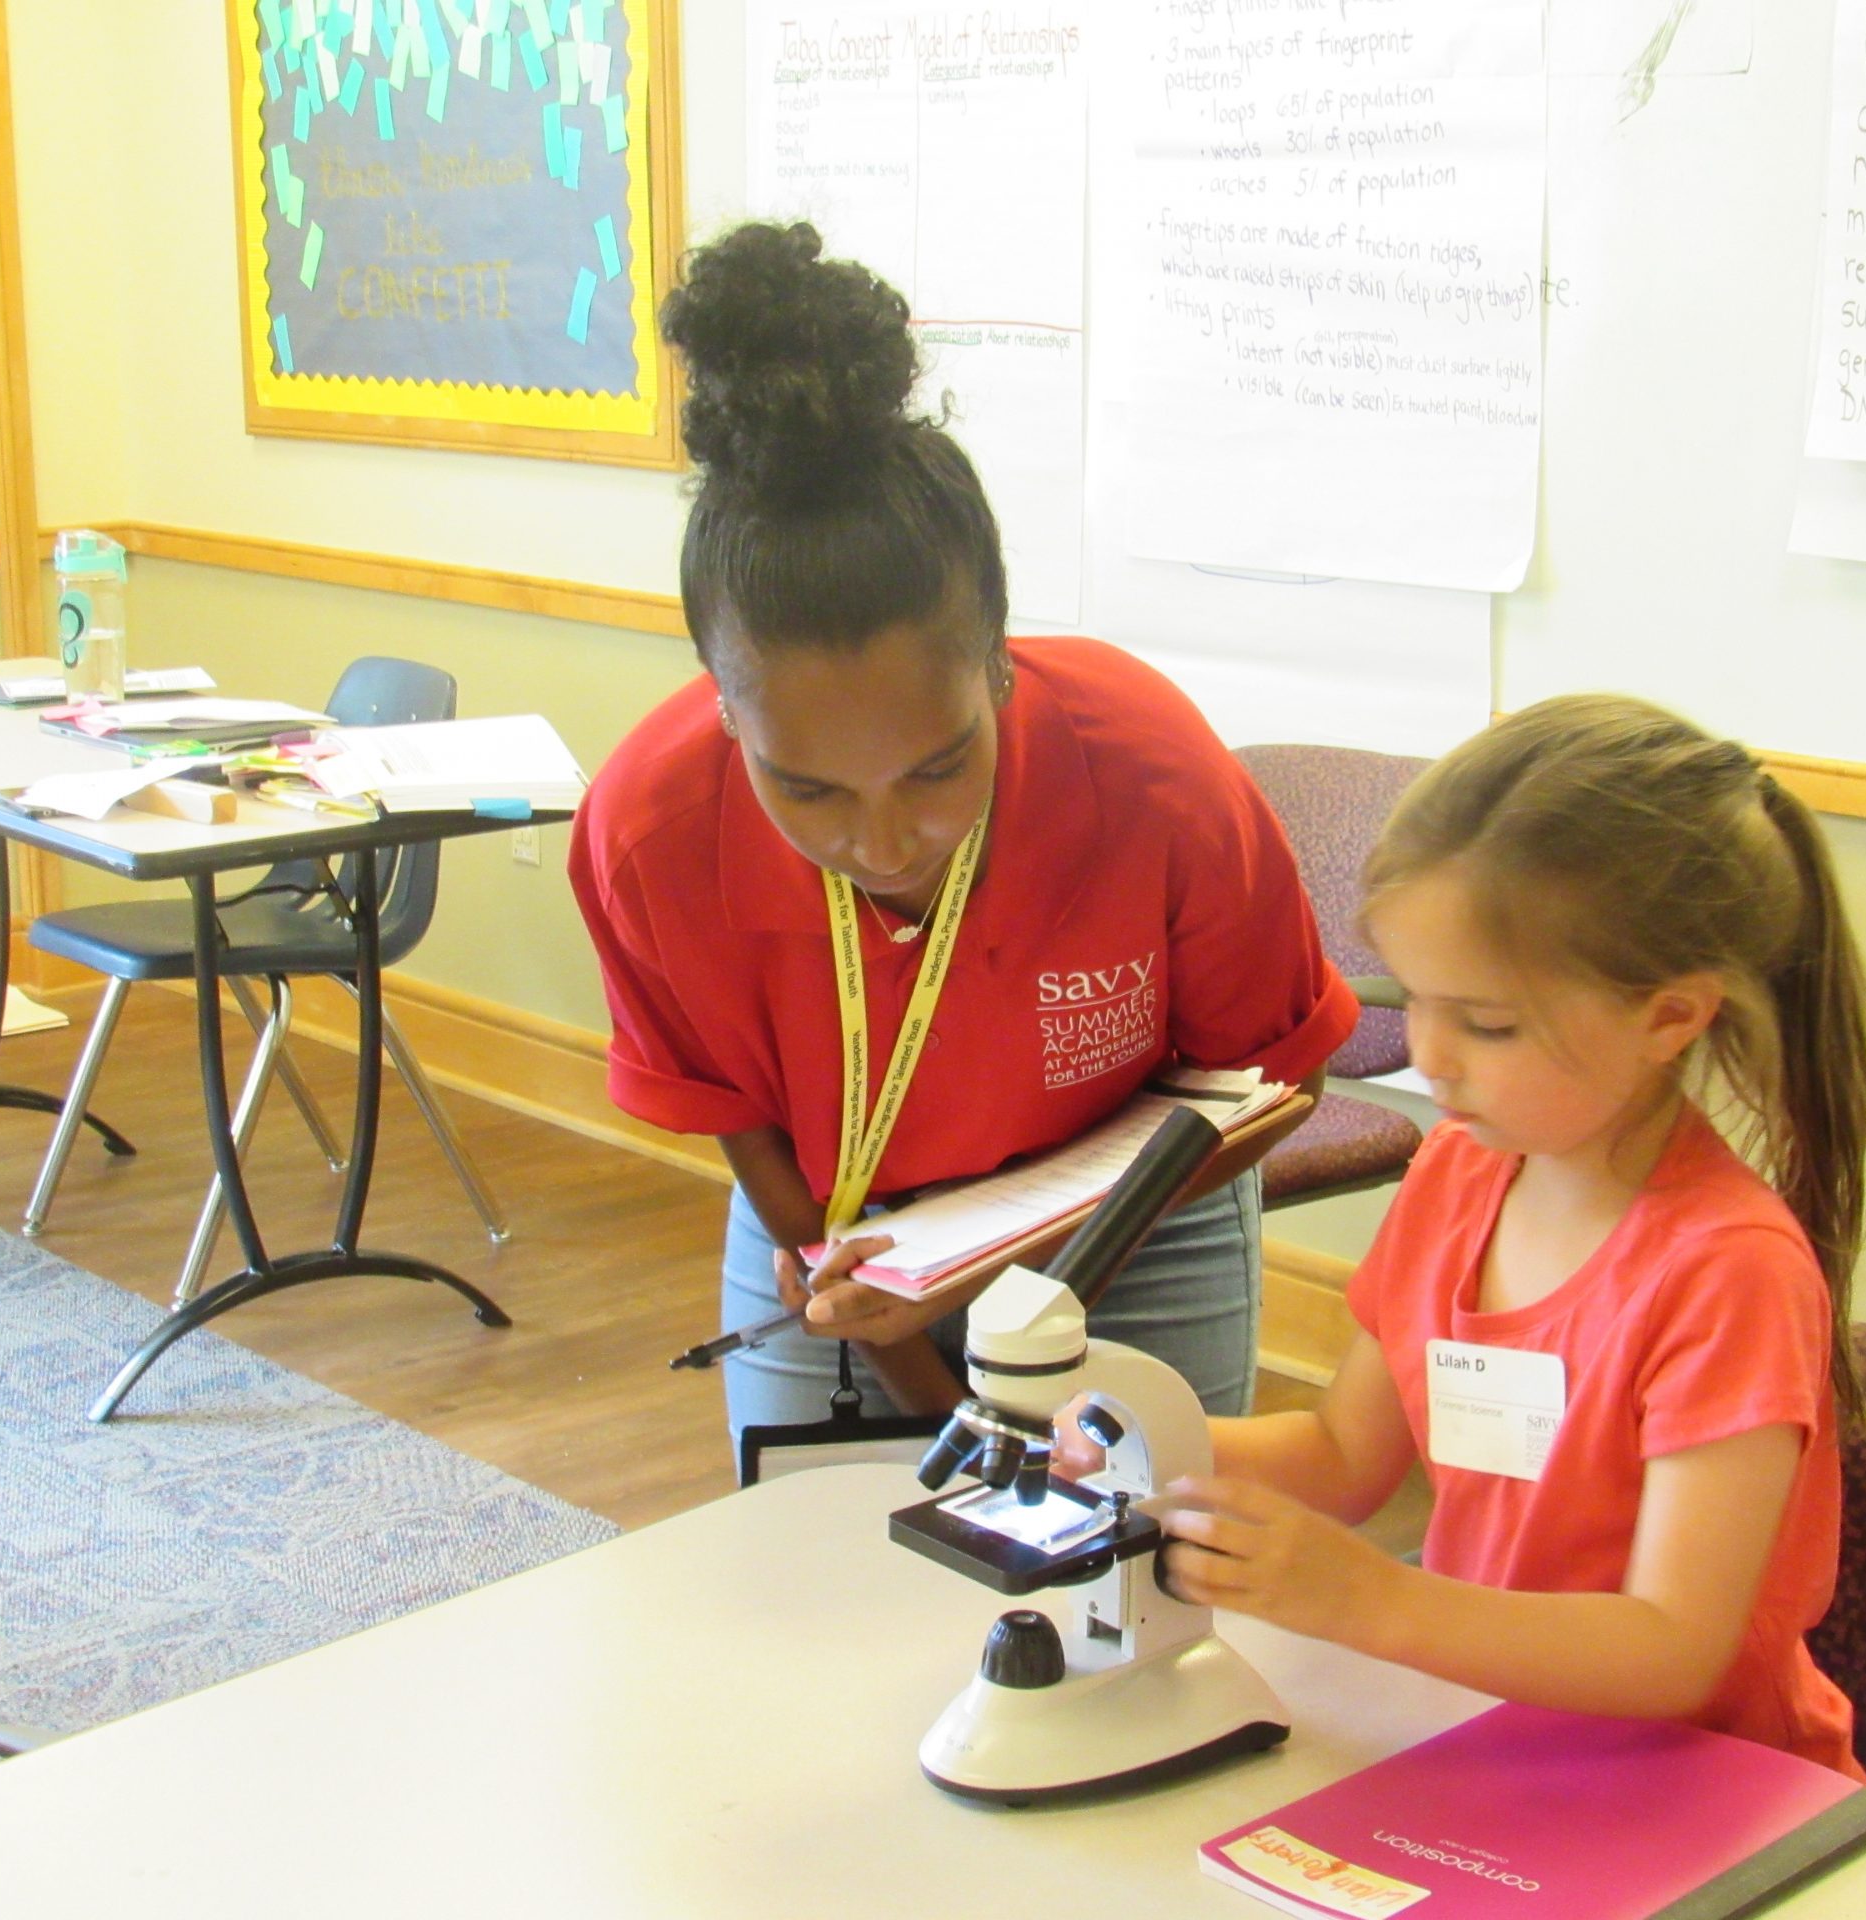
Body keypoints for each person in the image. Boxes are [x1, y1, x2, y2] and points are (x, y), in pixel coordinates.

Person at [566, 222, 1356, 1457]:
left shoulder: (1149, 774)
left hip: (1135, 1222)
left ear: (998, 663)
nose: (883, 842)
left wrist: (1006, 1278)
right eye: (806, 789)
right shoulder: (648, 832)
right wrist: (898, 1352)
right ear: (722, 706)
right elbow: (738, 1115)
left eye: (937, 767)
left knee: (1132, 1576)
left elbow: (1273, 1079)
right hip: (837, 1236)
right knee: (822, 1576)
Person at [1118, 694, 1866, 1777]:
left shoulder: (1728, 1275)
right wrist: (1136, 1431)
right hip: (1482, 1741)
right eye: (1413, 1001)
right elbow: (1341, 1456)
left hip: (1705, 1787)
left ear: (1670, 1016)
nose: (1432, 1059)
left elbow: (1672, 1651)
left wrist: (1366, 1596)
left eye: (1487, 1024)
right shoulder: (1460, 1171)